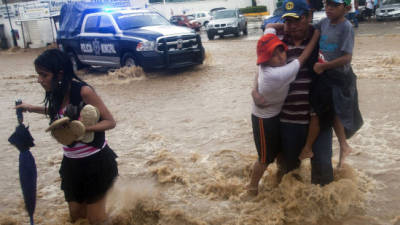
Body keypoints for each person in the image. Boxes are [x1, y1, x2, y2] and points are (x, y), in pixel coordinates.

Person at [16, 49, 118, 224]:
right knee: (76, 216)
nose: (39, 80)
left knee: (96, 220)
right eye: (38, 75)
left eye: (44, 75)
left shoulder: (84, 92)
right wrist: (31, 108)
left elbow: (110, 122)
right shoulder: (56, 91)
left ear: (60, 73)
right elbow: (57, 112)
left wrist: (83, 129)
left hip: (97, 163)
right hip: (71, 164)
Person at [256, 0, 335, 186]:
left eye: (297, 20)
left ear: (308, 17)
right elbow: (261, 66)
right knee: (288, 171)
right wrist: (254, 89)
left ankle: (326, 211)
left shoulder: (321, 38)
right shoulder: (278, 42)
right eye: (288, 21)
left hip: (320, 116)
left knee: (323, 169)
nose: (292, 26)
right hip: (289, 119)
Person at [247, 32, 318, 195]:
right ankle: (251, 187)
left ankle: (279, 179)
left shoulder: (267, 65)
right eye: (274, 56)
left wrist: (253, 89)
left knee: (279, 153)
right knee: (265, 158)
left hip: (277, 115)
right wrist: (316, 33)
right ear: (266, 60)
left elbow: (270, 27)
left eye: (281, 51)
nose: (280, 57)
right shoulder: (277, 75)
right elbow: (304, 56)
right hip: (264, 120)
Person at [298, 0, 363, 168]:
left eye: (334, 6)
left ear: (347, 8)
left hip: (339, 76)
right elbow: (310, 31)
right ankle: (343, 146)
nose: (329, 9)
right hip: (325, 74)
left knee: (329, 110)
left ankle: (310, 147)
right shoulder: (324, 22)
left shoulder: (346, 27)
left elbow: (347, 57)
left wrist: (323, 66)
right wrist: (275, 26)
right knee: (332, 111)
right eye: (327, 5)